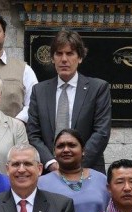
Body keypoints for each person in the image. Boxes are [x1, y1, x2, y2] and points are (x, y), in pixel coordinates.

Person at [27, 29, 112, 173]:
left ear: (80, 58)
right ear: (53, 58)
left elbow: (101, 132)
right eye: (59, 54)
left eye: (70, 53)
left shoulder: (98, 88)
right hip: (50, 173)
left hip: (87, 170)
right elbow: (33, 134)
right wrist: (51, 163)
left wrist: (76, 163)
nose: (64, 59)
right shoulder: (39, 91)